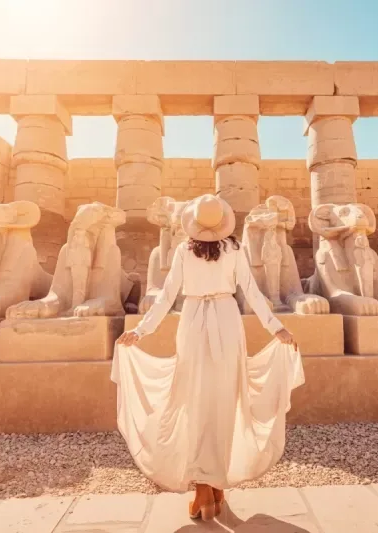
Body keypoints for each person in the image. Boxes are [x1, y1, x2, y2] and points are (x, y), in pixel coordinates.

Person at [112, 194, 305, 521]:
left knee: (196, 400)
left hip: (193, 321)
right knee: (224, 401)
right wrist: (277, 328)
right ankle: (214, 485)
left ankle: (205, 486)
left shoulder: (183, 251)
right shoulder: (235, 249)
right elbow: (252, 292)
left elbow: (166, 296)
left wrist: (141, 331)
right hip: (227, 320)